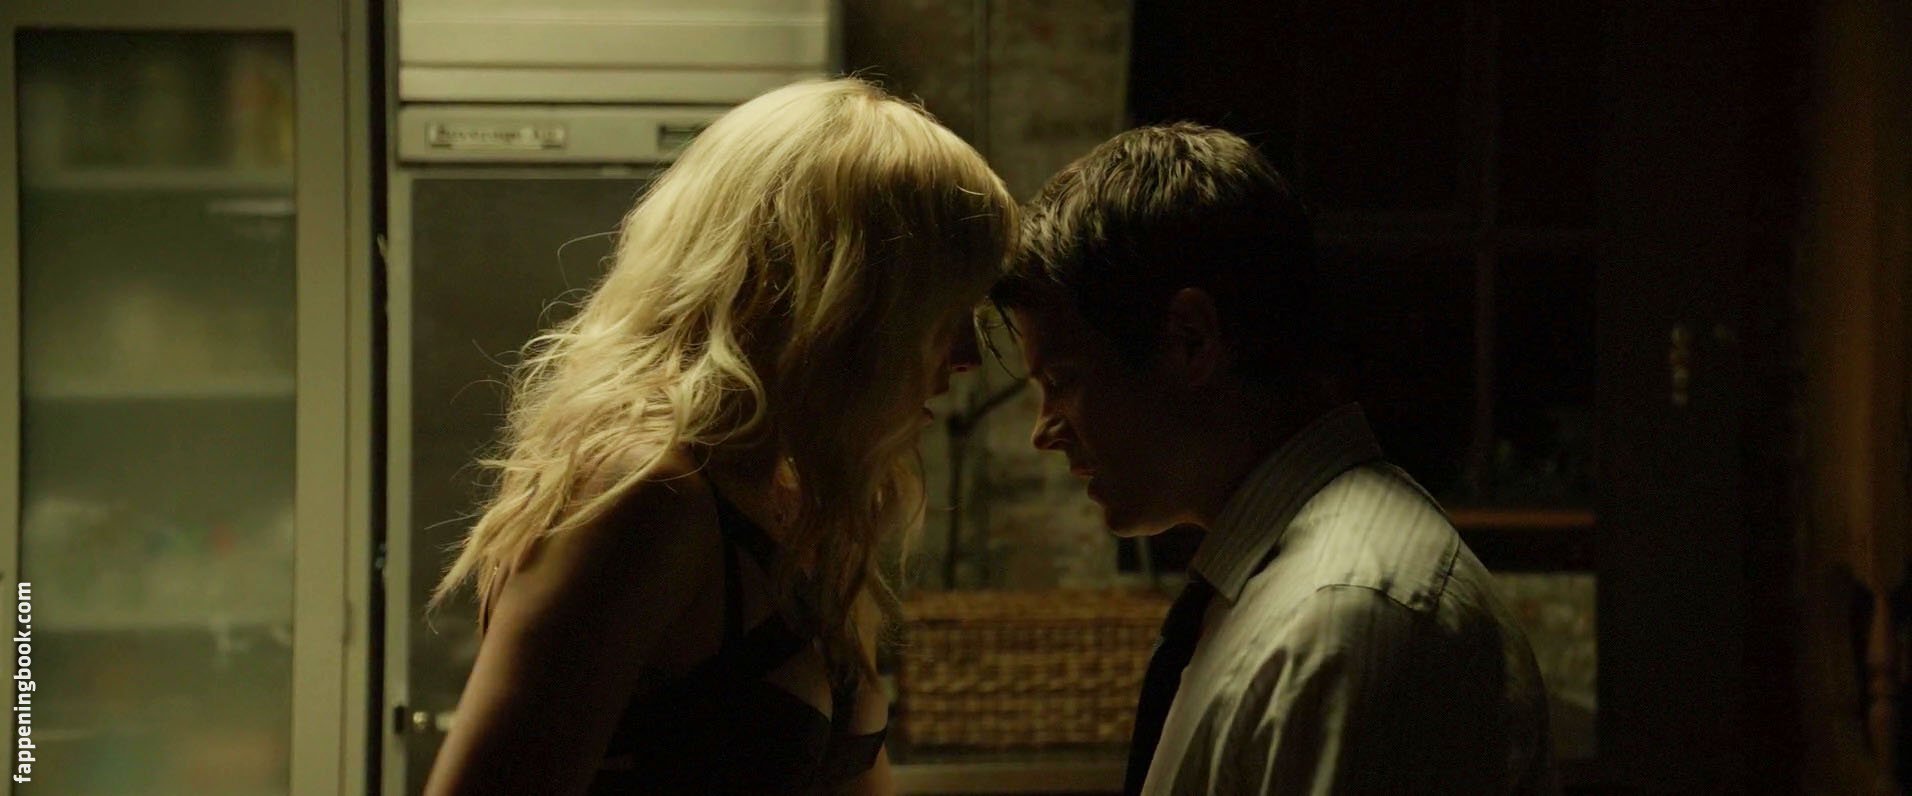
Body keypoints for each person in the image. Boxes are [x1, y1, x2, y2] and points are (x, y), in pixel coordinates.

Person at [423, 77, 1016, 796]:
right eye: (941, 314)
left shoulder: (800, 507)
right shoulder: (647, 496)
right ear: (838, 301)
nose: (967, 357)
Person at [990, 123, 1555, 794]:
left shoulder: (1341, 622)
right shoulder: (1288, 595)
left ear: (1191, 341)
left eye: (1062, 380)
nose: (1044, 431)